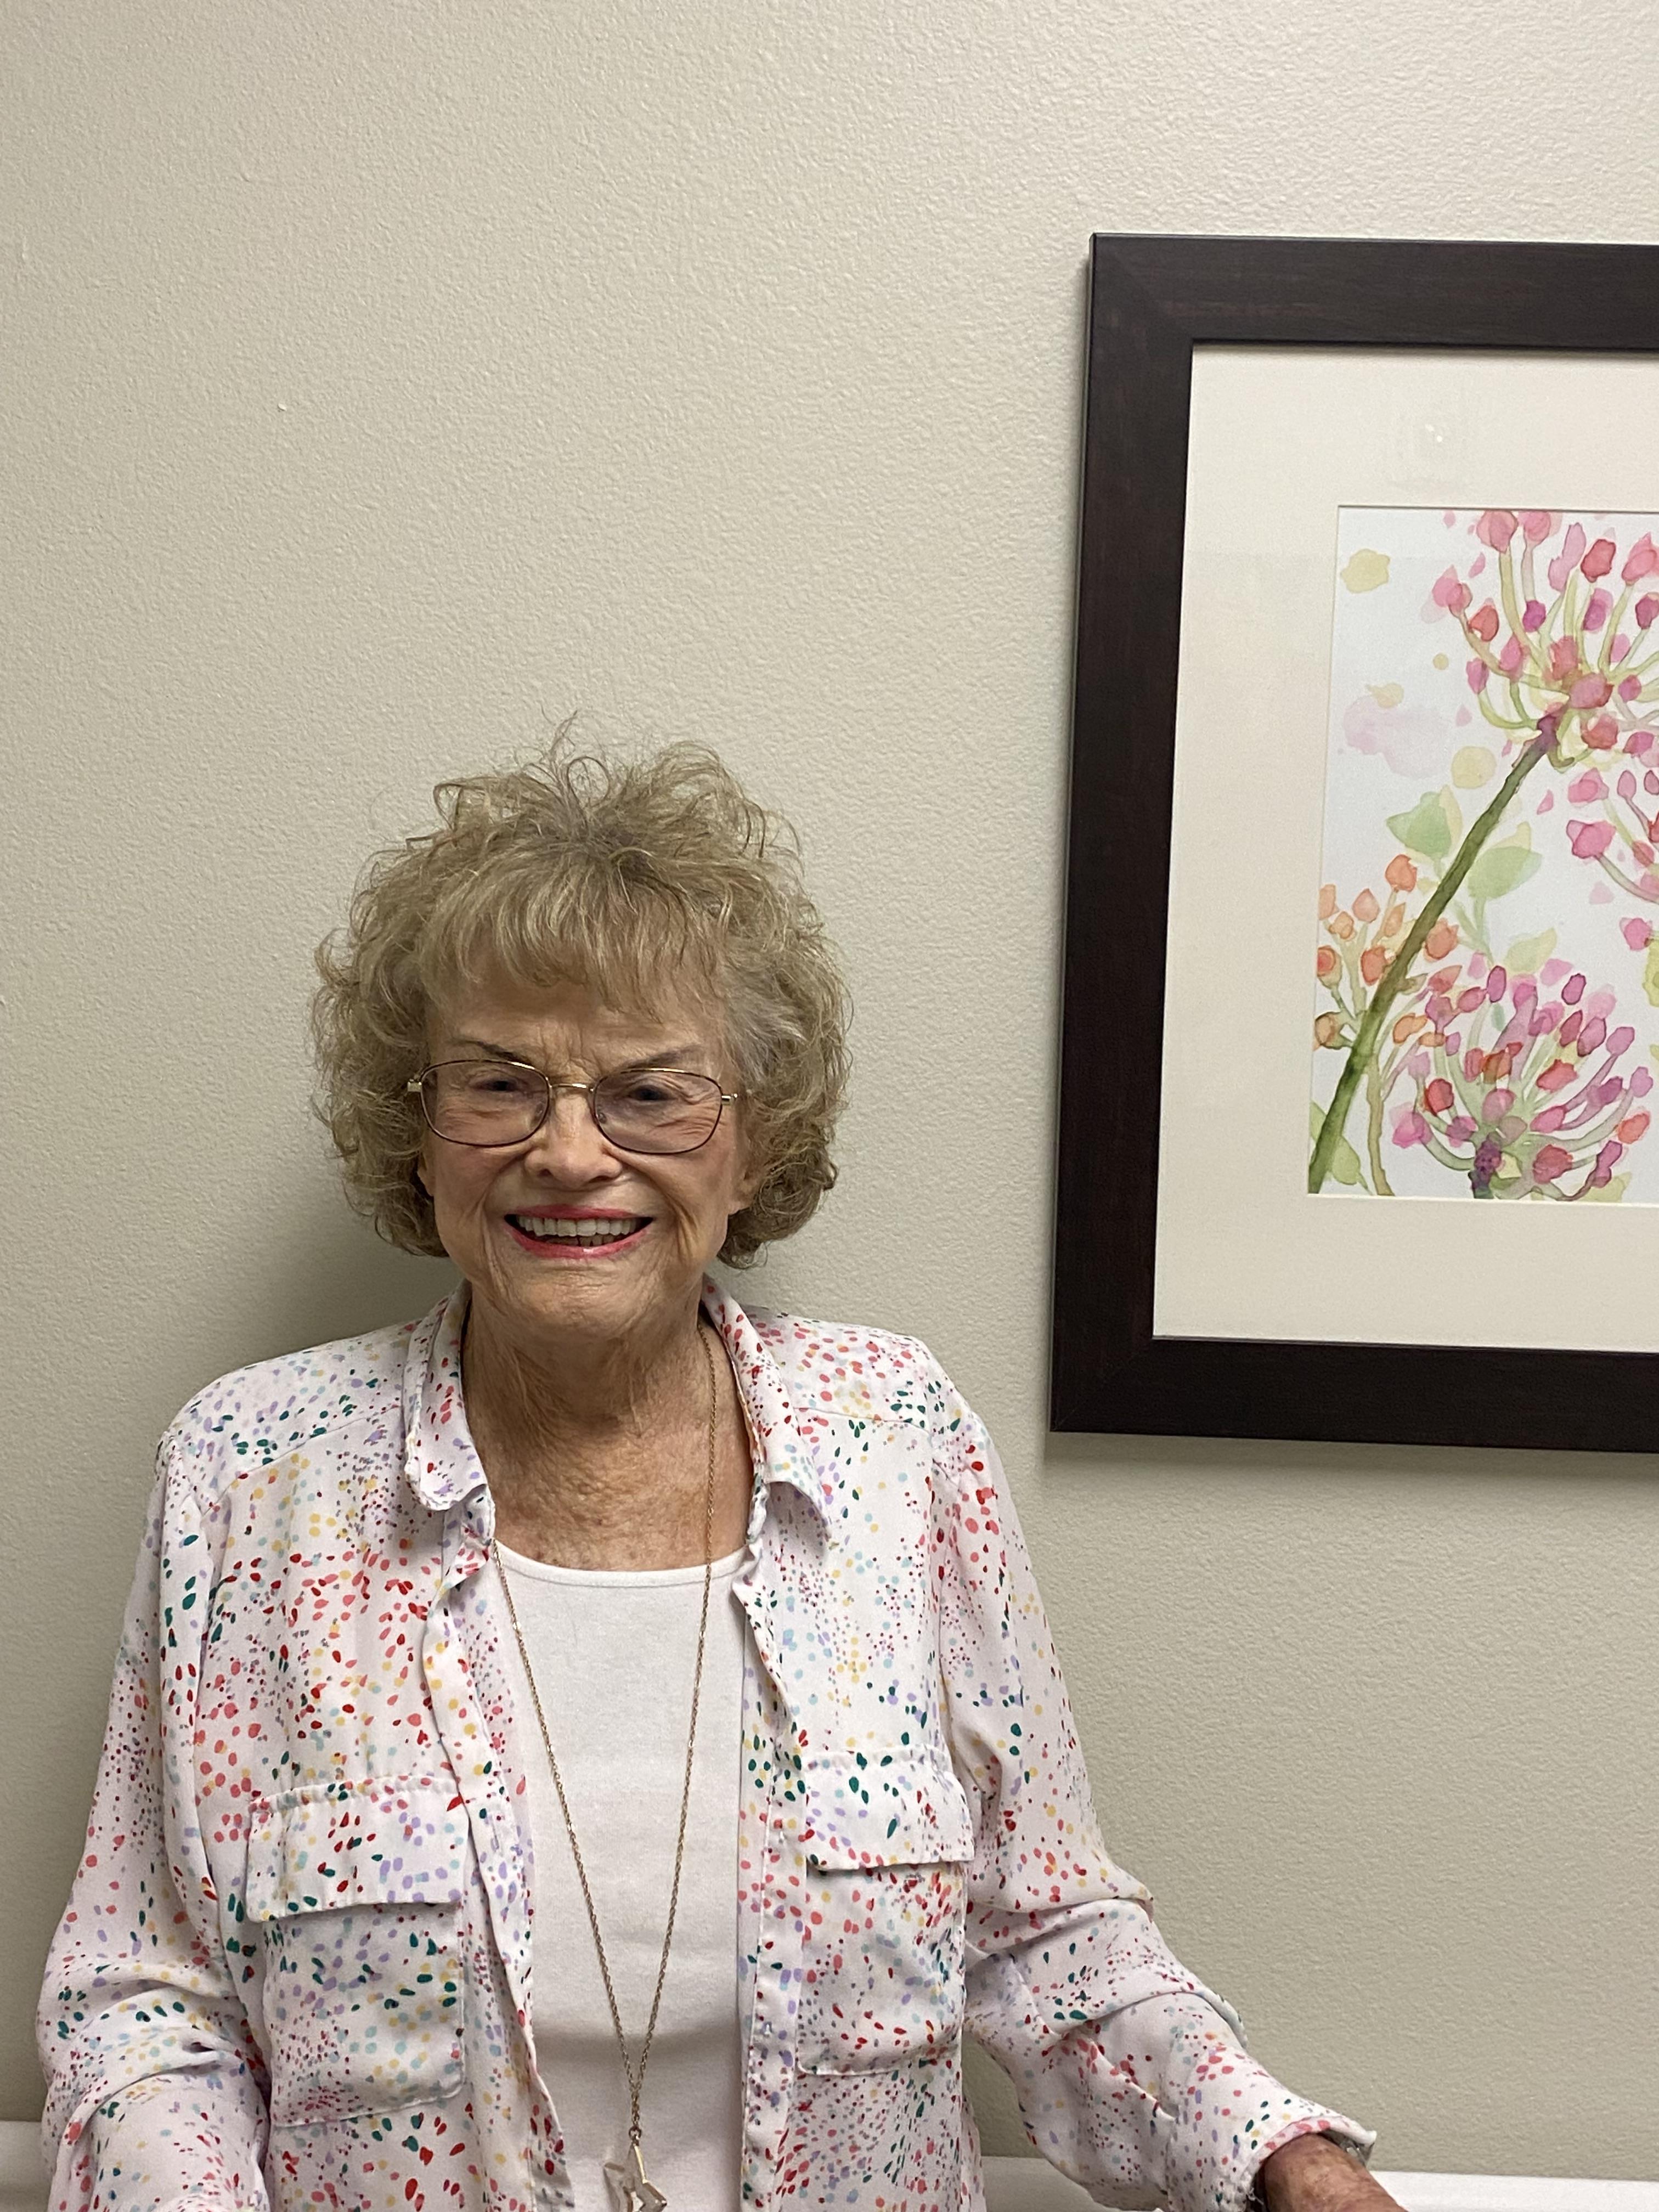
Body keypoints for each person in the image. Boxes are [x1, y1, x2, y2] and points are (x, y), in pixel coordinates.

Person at [40, 741, 1397, 2212]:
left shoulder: (895, 1441)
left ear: (750, 1142)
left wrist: (1295, 2173)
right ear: (420, 1133)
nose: (569, 1152)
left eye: (650, 1093)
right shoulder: (254, 1472)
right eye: (503, 1083)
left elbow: (1044, 1935)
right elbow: (146, 2002)